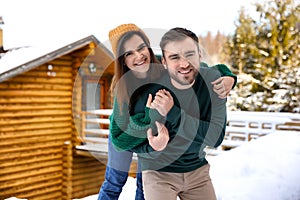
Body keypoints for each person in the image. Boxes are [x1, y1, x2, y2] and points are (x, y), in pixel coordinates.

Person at [98, 24, 236, 200]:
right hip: (126, 134)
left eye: (141, 48)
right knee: (115, 181)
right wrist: (150, 118)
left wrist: (229, 76)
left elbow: (198, 66)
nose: (138, 56)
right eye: (128, 53)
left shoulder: (162, 64)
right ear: (122, 60)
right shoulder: (123, 88)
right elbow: (121, 138)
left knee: (143, 181)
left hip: (154, 139)